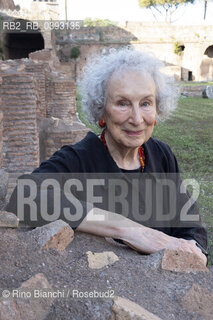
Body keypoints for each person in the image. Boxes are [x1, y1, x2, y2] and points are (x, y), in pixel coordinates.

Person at [7, 48, 208, 264]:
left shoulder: (162, 154)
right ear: (101, 109)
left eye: (146, 103)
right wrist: (130, 230)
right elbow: (23, 195)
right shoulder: (80, 159)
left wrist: (194, 252)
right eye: (122, 103)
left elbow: (192, 228)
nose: (137, 118)